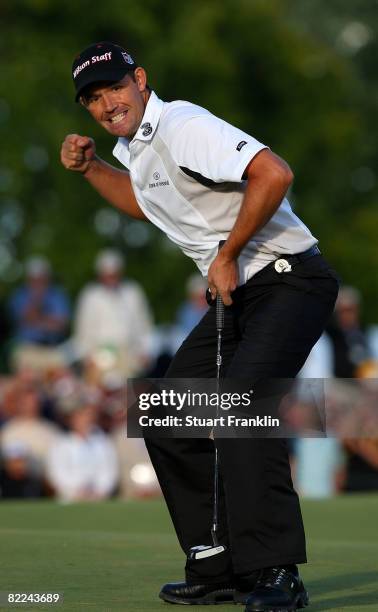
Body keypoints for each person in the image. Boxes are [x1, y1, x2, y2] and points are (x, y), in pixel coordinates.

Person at [61, 42, 339, 612]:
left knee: (242, 411)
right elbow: (145, 204)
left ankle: (278, 573)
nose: (107, 102)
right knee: (164, 415)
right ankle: (218, 564)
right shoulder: (135, 150)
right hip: (241, 293)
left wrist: (228, 253)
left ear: (140, 80)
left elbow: (273, 173)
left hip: (289, 279)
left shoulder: (182, 124)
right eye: (93, 97)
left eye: (114, 86)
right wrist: (93, 168)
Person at [74, 248, 154, 379]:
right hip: (98, 354)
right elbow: (83, 330)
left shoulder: (133, 292)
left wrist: (146, 352)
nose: (111, 278)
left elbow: (144, 325)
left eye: (114, 274)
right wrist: (85, 356)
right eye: (107, 274)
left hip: (128, 354)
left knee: (128, 394)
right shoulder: (90, 295)